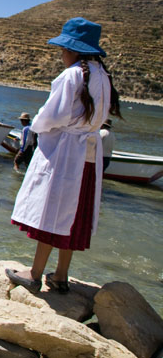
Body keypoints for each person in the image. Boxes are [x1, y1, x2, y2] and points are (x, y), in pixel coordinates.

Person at [7, 17, 121, 294]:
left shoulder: (72, 76)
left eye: (62, 50)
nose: (61, 54)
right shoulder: (103, 76)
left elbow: (52, 115)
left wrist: (37, 125)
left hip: (66, 152)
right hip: (88, 155)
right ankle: (61, 274)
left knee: (52, 210)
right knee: (75, 214)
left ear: (72, 50)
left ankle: (34, 273)